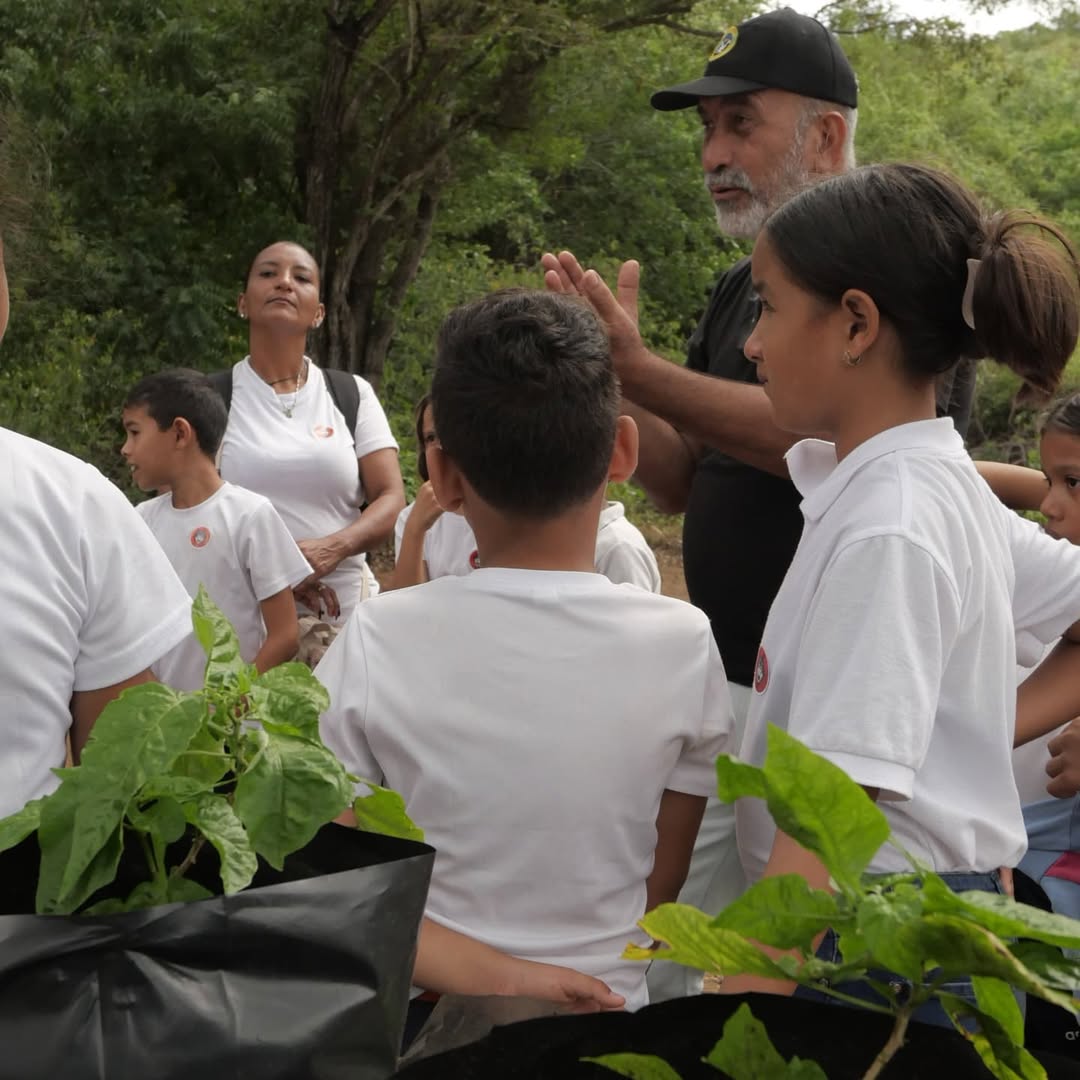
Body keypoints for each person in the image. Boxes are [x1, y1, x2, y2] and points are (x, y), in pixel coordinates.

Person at [543, 8, 977, 998]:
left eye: (740, 123)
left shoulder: (900, 279)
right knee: (687, 962)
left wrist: (643, 370)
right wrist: (614, 379)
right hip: (731, 690)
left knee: (793, 973)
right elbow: (687, 472)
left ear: (826, 136)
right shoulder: (742, 286)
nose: (714, 153)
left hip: (839, 728)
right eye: (706, 130)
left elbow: (830, 446)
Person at [717, 163, 1080, 1026]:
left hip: (868, 947)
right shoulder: (926, 486)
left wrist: (737, 1007)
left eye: (766, 306)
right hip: (900, 926)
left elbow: (836, 816)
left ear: (855, 323)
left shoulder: (894, 523)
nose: (751, 343)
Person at [317, 289, 733, 1014]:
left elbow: (328, 879)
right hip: (608, 1022)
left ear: (443, 478)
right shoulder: (684, 643)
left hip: (424, 1024)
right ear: (623, 453)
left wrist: (498, 977)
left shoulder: (380, 635)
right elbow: (659, 888)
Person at [0, 234, 193, 819]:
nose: (125, 449)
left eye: (135, 433)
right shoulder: (78, 504)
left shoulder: (77, 505)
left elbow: (117, 789)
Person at [216, 241, 405, 657]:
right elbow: (185, 514)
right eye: (268, 273)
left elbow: (391, 498)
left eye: (300, 278)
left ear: (318, 313)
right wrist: (276, 571)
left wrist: (332, 548)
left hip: (344, 629)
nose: (284, 283)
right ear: (243, 303)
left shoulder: (350, 394)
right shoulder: (211, 401)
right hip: (241, 632)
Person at [121, 369, 312, 690]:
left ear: (180, 433)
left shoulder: (250, 515)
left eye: (134, 432)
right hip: (168, 726)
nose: (125, 448)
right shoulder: (140, 520)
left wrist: (230, 700)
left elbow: (284, 636)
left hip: (232, 728)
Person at [388, 394, 662, 592]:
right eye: (431, 438)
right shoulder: (416, 520)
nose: (442, 446)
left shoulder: (616, 545)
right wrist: (415, 530)